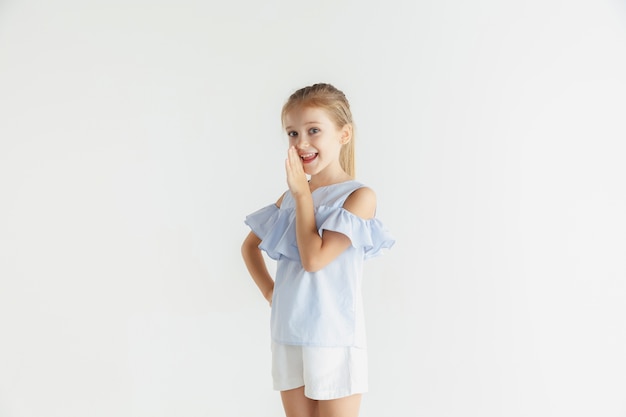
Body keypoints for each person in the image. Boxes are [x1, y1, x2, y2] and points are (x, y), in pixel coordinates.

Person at [241, 83, 395, 417]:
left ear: (344, 134)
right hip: (288, 332)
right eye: (293, 133)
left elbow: (314, 259)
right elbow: (250, 247)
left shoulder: (358, 197)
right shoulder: (291, 198)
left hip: (334, 336)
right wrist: (272, 293)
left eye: (313, 131)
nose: (301, 143)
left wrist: (302, 196)